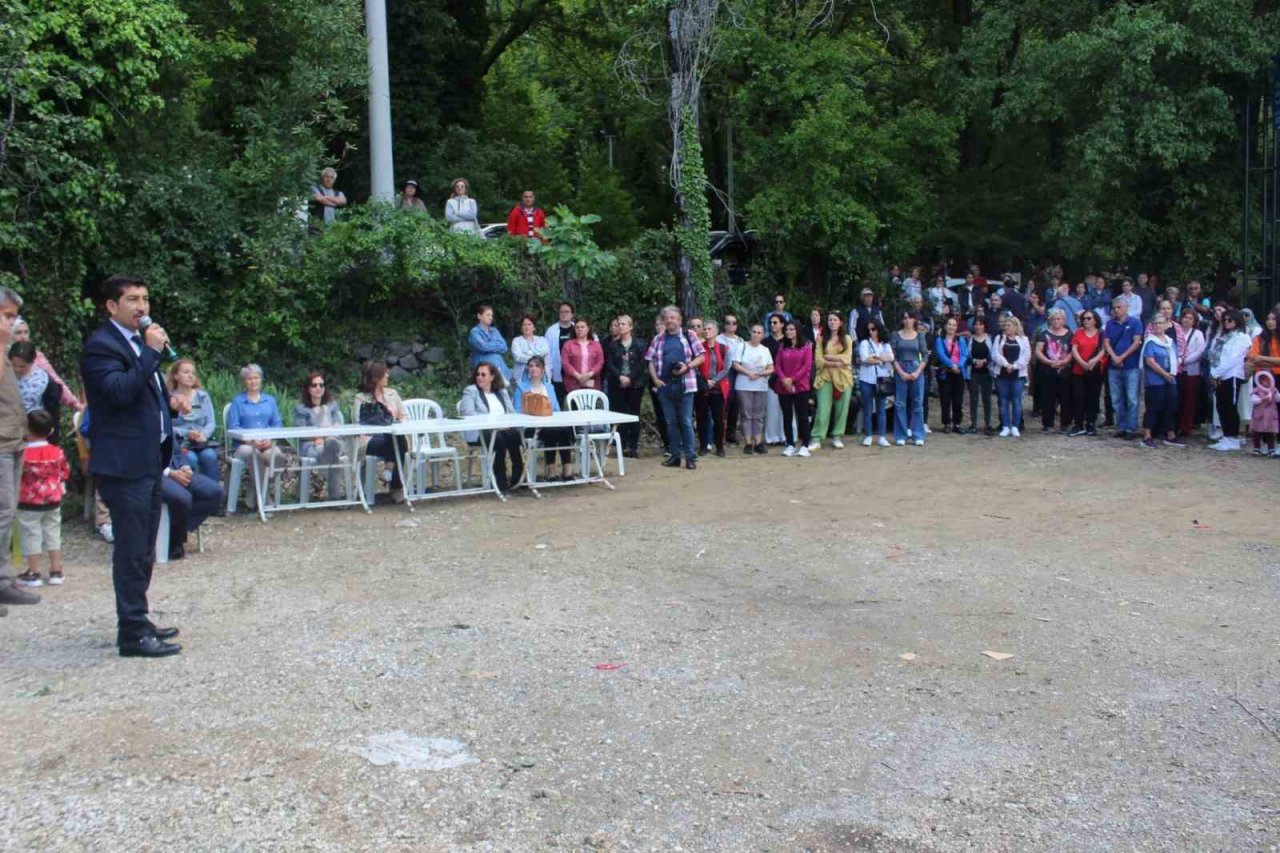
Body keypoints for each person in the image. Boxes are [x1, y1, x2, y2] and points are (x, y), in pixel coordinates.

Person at [79, 274, 178, 656]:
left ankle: (140, 619)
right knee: (132, 548)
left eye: (146, 299)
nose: (142, 307)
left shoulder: (138, 343)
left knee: (144, 548)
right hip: (123, 465)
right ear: (111, 306)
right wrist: (152, 354)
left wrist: (168, 406)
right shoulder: (100, 347)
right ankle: (132, 634)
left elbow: (142, 394)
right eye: (133, 299)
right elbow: (119, 393)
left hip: (148, 461)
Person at [0, 287, 38, 608]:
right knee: (1, 512)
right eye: (7, 316)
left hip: (13, 441)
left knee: (7, 511)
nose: (12, 324)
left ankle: (3, 579)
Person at [14, 409, 69, 587]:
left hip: (28, 501)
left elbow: (16, 475)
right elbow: (65, 472)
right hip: (53, 499)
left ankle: (34, 572)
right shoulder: (57, 452)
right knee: (53, 533)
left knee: (31, 534)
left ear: (27, 430)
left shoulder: (23, 454)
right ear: (51, 430)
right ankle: (55, 570)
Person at [646, 305, 705, 469]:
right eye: (667, 318)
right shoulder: (658, 339)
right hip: (664, 386)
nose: (670, 320)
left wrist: (687, 366)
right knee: (670, 422)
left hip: (686, 384)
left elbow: (701, 356)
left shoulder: (689, 335)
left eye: (673, 317)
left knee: (685, 421)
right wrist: (655, 379)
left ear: (679, 320)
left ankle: (691, 457)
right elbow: (649, 360)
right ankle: (675, 456)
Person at [227, 363, 286, 502]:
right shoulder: (238, 402)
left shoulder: (269, 400)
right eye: (249, 378)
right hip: (244, 445)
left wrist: (270, 439)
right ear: (245, 381)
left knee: (277, 456)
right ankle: (264, 499)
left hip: (267, 443)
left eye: (256, 378)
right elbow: (233, 427)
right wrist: (250, 441)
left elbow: (277, 424)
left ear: (261, 379)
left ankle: (255, 488)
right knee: (253, 455)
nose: (253, 381)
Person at [458, 363, 523, 490]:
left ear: (492, 377)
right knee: (498, 439)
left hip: (504, 429)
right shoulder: (471, 391)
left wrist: (508, 424)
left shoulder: (501, 392)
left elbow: (511, 412)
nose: (479, 377)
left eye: (483, 374)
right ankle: (500, 482)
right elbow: (467, 413)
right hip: (481, 432)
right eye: (477, 374)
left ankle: (518, 478)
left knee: (514, 435)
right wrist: (493, 425)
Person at [160, 437, 224, 561]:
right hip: (157, 474)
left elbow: (177, 452)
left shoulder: (165, 420)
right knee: (183, 498)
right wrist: (170, 473)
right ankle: (174, 543)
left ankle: (174, 534)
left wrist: (185, 466)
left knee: (215, 492)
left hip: (179, 469)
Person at [353, 360, 409, 501]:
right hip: (371, 440)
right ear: (375, 378)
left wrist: (401, 421)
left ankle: (389, 471)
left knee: (396, 438)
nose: (388, 376)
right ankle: (396, 488)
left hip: (393, 437)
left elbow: (404, 415)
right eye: (384, 373)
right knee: (397, 442)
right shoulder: (361, 398)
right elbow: (358, 423)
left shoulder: (393, 394)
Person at [513, 356, 574, 481]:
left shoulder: (549, 387)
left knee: (565, 429)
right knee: (551, 431)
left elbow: (556, 409)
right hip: (530, 427)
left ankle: (567, 470)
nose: (533, 369)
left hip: (549, 423)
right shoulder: (521, 387)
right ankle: (550, 471)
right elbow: (517, 411)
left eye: (537, 366)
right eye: (531, 366)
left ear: (542, 369)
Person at [292, 372, 345, 501]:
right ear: (308, 388)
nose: (318, 388)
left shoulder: (332, 405)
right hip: (311, 444)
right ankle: (335, 496)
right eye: (314, 385)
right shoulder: (301, 409)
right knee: (333, 454)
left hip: (332, 441)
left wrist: (326, 438)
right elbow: (301, 432)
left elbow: (338, 426)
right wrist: (316, 438)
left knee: (332, 445)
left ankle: (325, 477)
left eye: (321, 385)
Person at [10, 317, 82, 412]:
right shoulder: (3, 357)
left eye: (26, 332)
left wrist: (75, 404)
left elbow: (55, 380)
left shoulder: (37, 357)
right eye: (18, 333)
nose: (23, 337)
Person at [166, 359, 219, 482]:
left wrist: (203, 435)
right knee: (190, 458)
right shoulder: (170, 398)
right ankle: (193, 495)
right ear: (175, 376)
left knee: (210, 456)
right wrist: (186, 433)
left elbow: (211, 422)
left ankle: (213, 495)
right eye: (186, 372)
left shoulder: (203, 396)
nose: (191, 376)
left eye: (193, 373)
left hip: (201, 443)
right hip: (180, 444)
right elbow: (165, 425)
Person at [1207, 309, 1251, 452]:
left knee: (1230, 407)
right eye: (1225, 320)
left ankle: (1233, 438)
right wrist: (1214, 372)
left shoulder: (1242, 337)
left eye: (1230, 320)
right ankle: (1226, 436)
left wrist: (1217, 372)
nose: (1226, 322)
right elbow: (1216, 355)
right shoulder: (1223, 337)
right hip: (1220, 375)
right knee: (1221, 406)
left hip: (1232, 375)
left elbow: (1234, 358)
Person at [809, 312, 854, 450]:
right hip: (825, 377)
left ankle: (837, 436)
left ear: (840, 322)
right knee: (823, 409)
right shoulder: (821, 339)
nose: (832, 322)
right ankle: (816, 438)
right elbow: (818, 361)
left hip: (843, 377)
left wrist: (829, 357)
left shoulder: (847, 339)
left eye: (835, 320)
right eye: (830, 320)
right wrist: (836, 361)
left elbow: (847, 359)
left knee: (842, 409)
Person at [1103, 297, 1144, 439]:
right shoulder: (1110, 324)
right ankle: (1120, 426)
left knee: (1132, 398)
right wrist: (1114, 357)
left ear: (1126, 308)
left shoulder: (1135, 322)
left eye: (1119, 307)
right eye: (1114, 307)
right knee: (1116, 398)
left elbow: (1136, 342)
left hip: (1131, 365)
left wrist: (1122, 357)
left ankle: (1131, 428)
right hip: (1113, 366)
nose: (1116, 310)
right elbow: (1106, 343)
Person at [605, 315, 646, 458]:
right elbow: (610, 364)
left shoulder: (640, 344)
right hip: (617, 384)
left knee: (634, 414)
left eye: (624, 324)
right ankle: (621, 445)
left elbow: (642, 363)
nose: (621, 326)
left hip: (636, 384)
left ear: (630, 326)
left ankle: (633, 446)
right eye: (619, 324)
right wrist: (620, 377)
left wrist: (630, 377)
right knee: (619, 414)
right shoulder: (612, 345)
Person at [1139, 316, 1182, 448]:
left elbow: (1175, 356)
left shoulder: (1170, 341)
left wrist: (1172, 372)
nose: (1158, 325)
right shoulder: (1150, 342)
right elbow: (1149, 361)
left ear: (1166, 325)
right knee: (1153, 406)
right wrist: (1164, 374)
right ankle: (1147, 435)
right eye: (1155, 323)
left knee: (1171, 406)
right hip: (1155, 380)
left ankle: (1170, 434)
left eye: (1161, 323)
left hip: (1171, 379)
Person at [773, 321, 813, 457]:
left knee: (802, 416)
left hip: (801, 386)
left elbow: (807, 366)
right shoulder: (783, 346)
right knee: (787, 416)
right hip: (783, 386)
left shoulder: (806, 346)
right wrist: (784, 379)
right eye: (787, 329)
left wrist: (792, 379)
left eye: (791, 329)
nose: (788, 332)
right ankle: (790, 444)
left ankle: (805, 445)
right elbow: (777, 364)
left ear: (797, 330)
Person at [732, 323, 773, 454]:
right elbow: (735, 364)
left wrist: (760, 374)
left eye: (759, 332)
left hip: (761, 385)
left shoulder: (765, 350)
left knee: (759, 415)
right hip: (744, 384)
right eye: (754, 331)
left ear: (763, 335)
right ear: (750, 333)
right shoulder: (742, 346)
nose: (756, 334)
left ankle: (759, 442)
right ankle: (748, 443)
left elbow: (771, 368)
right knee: (746, 414)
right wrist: (748, 373)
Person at [8, 342, 63, 438]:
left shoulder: (44, 382)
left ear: (32, 362)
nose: (17, 369)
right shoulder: (4, 376)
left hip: (34, 433)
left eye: (22, 366)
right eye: (14, 365)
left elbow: (52, 414)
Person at [891, 312, 928, 446]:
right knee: (900, 403)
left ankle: (918, 434)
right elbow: (892, 355)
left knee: (917, 403)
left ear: (914, 320)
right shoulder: (896, 335)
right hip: (901, 368)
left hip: (916, 369)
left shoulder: (920, 335)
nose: (907, 320)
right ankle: (901, 434)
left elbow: (925, 356)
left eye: (910, 318)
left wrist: (917, 372)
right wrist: (900, 372)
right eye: (905, 318)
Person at [695, 321, 732, 457]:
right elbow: (696, 367)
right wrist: (705, 382)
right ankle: (703, 445)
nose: (706, 331)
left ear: (716, 332)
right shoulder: (699, 348)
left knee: (718, 418)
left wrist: (714, 381)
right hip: (703, 389)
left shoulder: (724, 349)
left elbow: (727, 368)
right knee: (701, 418)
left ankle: (719, 446)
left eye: (709, 329)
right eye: (705, 329)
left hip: (718, 388)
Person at [1067, 310, 1107, 437]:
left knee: (1093, 398)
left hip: (1095, 370)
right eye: (1083, 318)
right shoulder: (1078, 333)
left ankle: (1090, 423)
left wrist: (1094, 360)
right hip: (1079, 370)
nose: (1085, 321)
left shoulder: (1101, 334)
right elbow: (1074, 349)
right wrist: (1082, 362)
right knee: (1078, 397)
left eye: (1089, 318)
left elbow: (1103, 350)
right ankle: (1078, 424)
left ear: (1095, 320)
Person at [1034, 308, 1073, 433]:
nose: (1056, 321)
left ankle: (1065, 424)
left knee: (1066, 398)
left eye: (1058, 319)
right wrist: (1049, 362)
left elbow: (1073, 351)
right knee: (1047, 398)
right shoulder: (1043, 333)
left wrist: (1065, 361)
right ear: (1049, 320)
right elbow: (1038, 351)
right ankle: (1048, 424)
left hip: (1065, 371)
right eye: (1053, 319)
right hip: (1047, 370)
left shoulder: (1069, 334)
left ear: (1063, 320)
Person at [992, 316, 1031, 438]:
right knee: (1003, 401)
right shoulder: (999, 338)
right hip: (1002, 374)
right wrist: (1005, 364)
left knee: (1016, 401)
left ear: (1015, 326)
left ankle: (1015, 425)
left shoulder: (1024, 340)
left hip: (1018, 375)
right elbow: (995, 354)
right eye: (1005, 325)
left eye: (1009, 325)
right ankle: (1005, 425)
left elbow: (1026, 356)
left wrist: (1014, 366)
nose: (1006, 327)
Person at [857, 319, 894, 446]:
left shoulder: (885, 344)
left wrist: (877, 358)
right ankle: (868, 435)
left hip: (881, 380)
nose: (871, 331)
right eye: (869, 329)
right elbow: (864, 358)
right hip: (866, 379)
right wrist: (881, 359)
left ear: (878, 329)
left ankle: (882, 436)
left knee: (881, 408)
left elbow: (891, 357)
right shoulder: (864, 343)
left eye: (873, 329)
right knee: (867, 407)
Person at [933, 315, 969, 434]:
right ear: (945, 326)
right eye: (949, 324)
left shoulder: (960, 340)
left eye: (954, 325)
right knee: (945, 399)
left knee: (958, 399)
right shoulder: (939, 339)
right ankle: (946, 423)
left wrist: (958, 365)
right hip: (945, 372)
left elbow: (965, 354)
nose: (951, 327)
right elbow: (940, 354)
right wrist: (951, 365)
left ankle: (957, 423)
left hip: (958, 372)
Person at [1175, 308, 1207, 437]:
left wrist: (1184, 361)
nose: (1186, 320)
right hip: (1176, 370)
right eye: (1185, 317)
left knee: (1189, 399)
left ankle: (1186, 426)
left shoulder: (1198, 334)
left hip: (1191, 370)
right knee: (1177, 398)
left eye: (1190, 318)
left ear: (1194, 321)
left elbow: (1200, 351)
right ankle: (1175, 424)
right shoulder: (1176, 331)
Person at [717, 314, 745, 444]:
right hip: (723, 372)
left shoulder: (741, 341)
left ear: (737, 326)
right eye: (728, 323)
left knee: (735, 404)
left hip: (738, 373)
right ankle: (719, 434)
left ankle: (731, 433)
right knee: (723, 403)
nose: (731, 325)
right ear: (724, 325)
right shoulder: (718, 339)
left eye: (734, 323)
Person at [965, 316, 995, 434]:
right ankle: (973, 424)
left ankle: (988, 424)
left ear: (984, 326)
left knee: (987, 398)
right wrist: (974, 362)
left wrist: (984, 362)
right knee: (974, 398)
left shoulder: (989, 339)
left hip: (986, 371)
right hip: (973, 372)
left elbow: (993, 353)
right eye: (976, 324)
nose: (978, 327)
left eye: (980, 324)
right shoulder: (970, 339)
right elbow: (966, 355)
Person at [543, 302, 577, 406]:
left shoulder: (578, 328)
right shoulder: (551, 330)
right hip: (557, 371)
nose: (564, 314)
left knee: (574, 401)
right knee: (558, 400)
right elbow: (546, 353)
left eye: (567, 311)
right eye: (561, 312)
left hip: (575, 371)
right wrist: (549, 370)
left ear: (572, 314)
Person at [762, 314, 789, 446]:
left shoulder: (788, 341)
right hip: (771, 378)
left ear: (782, 324)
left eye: (775, 322)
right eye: (771, 322)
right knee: (772, 409)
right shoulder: (765, 342)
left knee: (787, 409)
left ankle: (786, 436)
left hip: (787, 378)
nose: (772, 325)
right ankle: (771, 437)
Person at [561, 317, 604, 393]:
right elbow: (565, 363)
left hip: (592, 382)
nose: (580, 329)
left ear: (588, 329)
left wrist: (589, 374)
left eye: (582, 327)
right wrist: (578, 376)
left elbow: (600, 362)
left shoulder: (596, 345)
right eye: (577, 327)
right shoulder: (568, 344)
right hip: (573, 383)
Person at [468, 304, 510, 381]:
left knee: (507, 392)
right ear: (479, 316)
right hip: (484, 372)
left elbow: (504, 347)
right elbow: (483, 347)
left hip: (501, 371)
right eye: (488, 315)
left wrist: (489, 344)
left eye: (492, 315)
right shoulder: (474, 332)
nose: (491, 317)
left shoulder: (494, 330)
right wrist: (497, 344)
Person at [509, 314, 551, 385]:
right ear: (521, 327)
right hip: (521, 378)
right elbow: (518, 357)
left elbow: (544, 352)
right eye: (524, 324)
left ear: (534, 327)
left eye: (529, 324)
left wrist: (527, 353)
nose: (526, 327)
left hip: (540, 377)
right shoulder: (516, 341)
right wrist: (536, 355)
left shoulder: (542, 340)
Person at [1249, 371, 1278, 457]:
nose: (1267, 382)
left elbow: (1278, 399)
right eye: (1264, 380)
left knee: (1270, 433)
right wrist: (1262, 399)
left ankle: (1271, 449)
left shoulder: (1273, 390)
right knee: (1257, 432)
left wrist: (1275, 394)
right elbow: (1253, 400)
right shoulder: (1256, 390)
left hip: (1270, 416)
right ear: (1259, 381)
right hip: (1259, 416)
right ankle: (1257, 448)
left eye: (1268, 380)